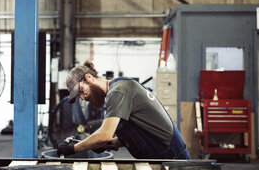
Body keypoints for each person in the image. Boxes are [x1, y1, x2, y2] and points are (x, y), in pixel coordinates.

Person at [57, 60, 190, 159]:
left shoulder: (118, 91)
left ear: (89, 77)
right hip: (160, 155)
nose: (82, 97)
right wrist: (94, 143)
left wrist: (73, 148)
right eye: (78, 96)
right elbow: (132, 134)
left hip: (171, 157)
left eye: (81, 91)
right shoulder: (114, 93)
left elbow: (104, 134)